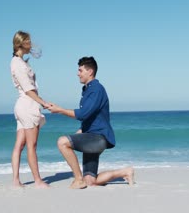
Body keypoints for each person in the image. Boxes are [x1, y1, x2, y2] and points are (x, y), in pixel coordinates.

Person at [47, 56, 135, 189]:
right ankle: (125, 172)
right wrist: (82, 130)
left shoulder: (96, 89)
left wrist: (60, 110)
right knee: (91, 181)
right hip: (92, 137)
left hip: (97, 139)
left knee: (62, 142)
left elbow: (83, 114)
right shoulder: (88, 89)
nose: (78, 74)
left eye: (80, 70)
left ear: (90, 71)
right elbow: (92, 116)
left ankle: (78, 179)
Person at [10, 30, 49, 188]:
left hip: (23, 105)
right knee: (32, 145)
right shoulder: (18, 64)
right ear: (21, 43)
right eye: (28, 41)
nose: (31, 44)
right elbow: (28, 89)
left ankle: (15, 181)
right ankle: (38, 181)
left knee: (19, 145)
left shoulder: (19, 62)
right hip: (28, 105)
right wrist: (43, 102)